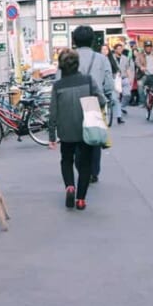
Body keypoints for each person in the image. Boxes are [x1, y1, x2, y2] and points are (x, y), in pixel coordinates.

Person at [48, 48, 106, 211]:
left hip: (65, 130)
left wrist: (52, 135)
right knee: (85, 163)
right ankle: (80, 199)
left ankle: (69, 187)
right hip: (85, 128)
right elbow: (101, 100)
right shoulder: (88, 80)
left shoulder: (57, 85)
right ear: (77, 64)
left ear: (61, 66)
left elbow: (53, 112)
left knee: (66, 160)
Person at [63, 26, 113, 184]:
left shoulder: (66, 58)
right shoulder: (101, 59)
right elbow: (109, 84)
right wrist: (106, 95)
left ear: (74, 41)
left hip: (72, 102)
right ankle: (93, 171)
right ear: (92, 41)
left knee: (76, 137)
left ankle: (80, 166)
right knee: (94, 137)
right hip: (93, 101)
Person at [134, 40, 153, 111]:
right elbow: (137, 61)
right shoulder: (140, 54)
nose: (148, 48)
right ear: (144, 47)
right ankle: (143, 102)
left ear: (152, 47)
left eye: (150, 47)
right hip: (144, 75)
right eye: (147, 47)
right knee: (140, 86)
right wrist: (141, 67)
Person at [100, 44, 124, 125]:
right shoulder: (97, 60)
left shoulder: (111, 59)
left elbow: (117, 69)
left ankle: (119, 117)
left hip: (110, 82)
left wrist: (117, 74)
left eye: (106, 49)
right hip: (100, 82)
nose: (104, 51)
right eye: (103, 49)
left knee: (115, 99)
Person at [112, 41, 132, 121]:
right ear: (115, 50)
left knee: (127, 94)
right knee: (116, 97)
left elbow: (128, 68)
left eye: (121, 48)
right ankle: (118, 112)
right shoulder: (111, 58)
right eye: (118, 49)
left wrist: (130, 78)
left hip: (124, 78)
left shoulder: (125, 58)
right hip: (115, 79)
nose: (120, 50)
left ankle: (122, 106)